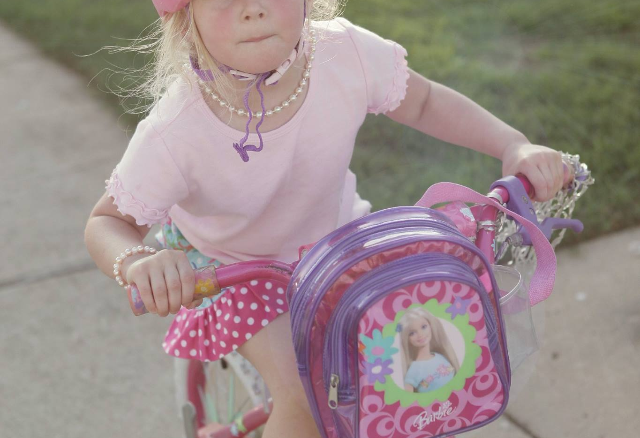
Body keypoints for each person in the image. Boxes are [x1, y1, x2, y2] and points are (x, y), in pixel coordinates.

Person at [84, 0, 565, 436]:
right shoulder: (177, 129)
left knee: (417, 366)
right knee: (308, 400)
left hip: (339, 247)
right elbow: (107, 222)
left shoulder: (343, 52)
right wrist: (138, 261)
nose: (253, 9)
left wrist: (512, 144)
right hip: (236, 271)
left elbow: (424, 102)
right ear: (187, 18)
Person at [399, 307, 460, 393]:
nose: (420, 334)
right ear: (407, 339)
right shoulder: (414, 370)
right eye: (412, 333)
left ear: (430, 326)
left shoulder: (440, 356)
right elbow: (408, 398)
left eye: (424, 327)